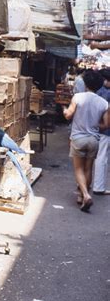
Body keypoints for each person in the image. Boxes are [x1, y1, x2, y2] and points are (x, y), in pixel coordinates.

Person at [63, 70, 108, 211]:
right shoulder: (104, 103)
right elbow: (106, 125)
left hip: (78, 138)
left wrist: (64, 110)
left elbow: (68, 116)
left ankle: (86, 195)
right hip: (94, 139)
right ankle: (82, 197)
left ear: (86, 83)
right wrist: (93, 125)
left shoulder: (78, 97)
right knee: (88, 168)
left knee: (78, 169)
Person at [93, 69, 110, 195]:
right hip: (105, 130)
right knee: (101, 158)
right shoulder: (105, 93)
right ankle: (98, 187)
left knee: (97, 157)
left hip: (95, 129)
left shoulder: (97, 91)